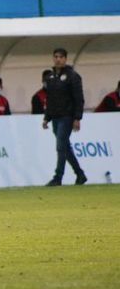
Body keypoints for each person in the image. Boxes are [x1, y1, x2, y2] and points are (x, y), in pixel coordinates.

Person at [42, 48, 87, 186]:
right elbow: (50, 100)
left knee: (61, 146)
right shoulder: (50, 77)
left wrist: (77, 118)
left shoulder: (73, 76)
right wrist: (47, 117)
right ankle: (80, 174)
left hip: (67, 117)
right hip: (55, 117)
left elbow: (78, 99)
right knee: (65, 148)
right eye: (55, 56)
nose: (58, 59)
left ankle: (58, 177)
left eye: (61, 57)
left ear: (66, 59)